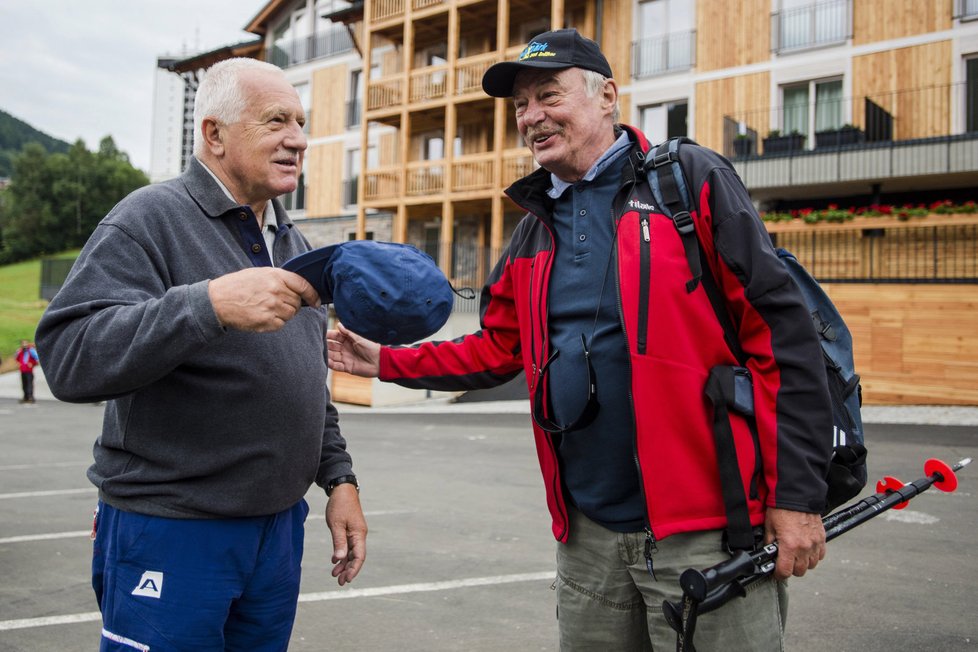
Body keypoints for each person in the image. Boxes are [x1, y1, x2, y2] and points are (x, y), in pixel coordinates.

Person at [328, 29, 832, 651]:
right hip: (588, 537)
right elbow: (496, 350)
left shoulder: (687, 182)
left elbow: (783, 338)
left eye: (548, 95)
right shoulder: (534, 229)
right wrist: (385, 362)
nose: (531, 116)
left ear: (606, 97)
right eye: (520, 106)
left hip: (709, 529)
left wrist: (797, 497)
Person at [35, 57, 367, 651]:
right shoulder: (148, 219)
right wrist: (205, 306)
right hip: (173, 529)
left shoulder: (295, 244)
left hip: (277, 531)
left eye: (300, 120)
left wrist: (339, 479)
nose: (298, 137)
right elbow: (68, 355)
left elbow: (304, 382)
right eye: (274, 121)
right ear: (213, 134)